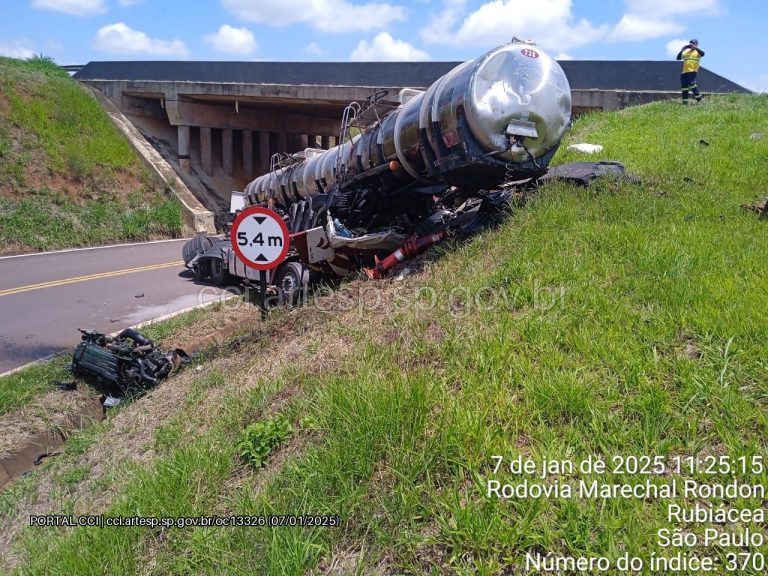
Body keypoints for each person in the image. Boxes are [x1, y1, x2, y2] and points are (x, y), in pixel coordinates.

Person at [676, 39, 705, 104]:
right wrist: (682, 50)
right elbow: (678, 58)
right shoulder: (686, 52)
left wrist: (696, 48)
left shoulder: (697, 52)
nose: (691, 44)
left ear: (696, 44)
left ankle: (700, 100)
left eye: (693, 43)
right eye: (690, 43)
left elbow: (703, 54)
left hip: (692, 71)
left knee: (692, 84)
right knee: (684, 87)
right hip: (684, 72)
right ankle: (685, 103)